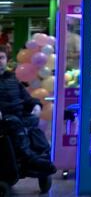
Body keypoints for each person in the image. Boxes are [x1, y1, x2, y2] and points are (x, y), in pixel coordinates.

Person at [0, 45, 56, 174]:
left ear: (6, 60)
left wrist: (36, 104)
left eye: (1, 57)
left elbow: (26, 98)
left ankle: (43, 154)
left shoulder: (12, 78)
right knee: (14, 122)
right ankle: (30, 158)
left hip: (18, 116)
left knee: (31, 120)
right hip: (4, 120)